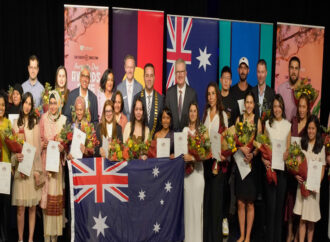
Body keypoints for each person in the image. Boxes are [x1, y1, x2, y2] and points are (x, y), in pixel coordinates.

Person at [11, 92, 43, 242]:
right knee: (20, 208)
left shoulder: (35, 123)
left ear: (32, 107)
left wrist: (37, 171)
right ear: (22, 103)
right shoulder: (15, 123)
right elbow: (12, 150)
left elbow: (37, 150)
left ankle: (30, 239)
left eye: (30, 104)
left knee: (32, 208)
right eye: (25, 102)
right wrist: (15, 158)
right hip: (20, 170)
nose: (27, 106)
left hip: (31, 171)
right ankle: (20, 239)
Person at [263, 94, 291, 242]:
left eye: (279, 106)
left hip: (282, 174)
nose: (277, 109)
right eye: (274, 106)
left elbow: (288, 150)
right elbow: (263, 147)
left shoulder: (288, 125)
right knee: (270, 209)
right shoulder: (268, 124)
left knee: (279, 210)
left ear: (282, 107)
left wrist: (287, 155)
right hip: (270, 171)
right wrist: (263, 160)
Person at [39, 91, 67, 241]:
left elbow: (66, 145)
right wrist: (42, 144)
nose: (53, 106)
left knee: (55, 202)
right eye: (51, 103)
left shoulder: (64, 120)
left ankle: (54, 237)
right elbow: (39, 141)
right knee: (46, 201)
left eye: (55, 103)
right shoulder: (43, 119)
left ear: (59, 104)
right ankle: (46, 236)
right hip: (45, 165)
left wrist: (63, 149)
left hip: (57, 168)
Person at [202, 82, 228, 242]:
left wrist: (225, 155)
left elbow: (228, 140)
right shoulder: (204, 114)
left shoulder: (223, 115)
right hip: (206, 163)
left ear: (217, 95)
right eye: (209, 94)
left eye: (213, 93)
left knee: (217, 205)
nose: (211, 96)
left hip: (218, 164)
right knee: (208, 203)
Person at [293, 115, 325, 242]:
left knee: (311, 220)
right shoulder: (302, 143)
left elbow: (322, 167)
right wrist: (295, 175)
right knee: (302, 219)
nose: (311, 131)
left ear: (317, 130)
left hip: (313, 189)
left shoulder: (321, 147)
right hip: (302, 187)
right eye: (309, 128)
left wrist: (316, 183)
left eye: (313, 128)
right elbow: (295, 163)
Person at [235, 91, 262, 242]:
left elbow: (260, 142)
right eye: (247, 102)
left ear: (254, 104)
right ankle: (241, 235)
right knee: (240, 201)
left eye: (252, 102)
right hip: (240, 164)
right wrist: (241, 148)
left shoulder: (257, 120)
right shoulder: (239, 119)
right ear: (244, 104)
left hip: (252, 165)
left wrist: (253, 153)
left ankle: (248, 237)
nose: (249, 105)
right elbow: (233, 140)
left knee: (250, 202)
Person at [285, 94, 310, 242]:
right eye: (299, 106)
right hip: (291, 172)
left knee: (300, 206)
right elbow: (288, 147)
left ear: (308, 109)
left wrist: (302, 171)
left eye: (303, 107)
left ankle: (296, 236)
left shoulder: (310, 126)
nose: (301, 109)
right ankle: (289, 234)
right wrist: (292, 169)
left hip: (303, 174)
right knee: (290, 203)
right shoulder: (292, 122)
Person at [182, 102, 205, 242]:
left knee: (197, 209)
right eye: (190, 111)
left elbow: (205, 154)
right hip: (186, 175)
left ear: (198, 113)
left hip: (198, 174)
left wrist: (193, 157)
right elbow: (181, 152)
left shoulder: (202, 131)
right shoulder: (184, 131)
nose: (192, 113)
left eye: (195, 111)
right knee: (188, 210)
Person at [165, 58, 198, 131]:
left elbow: (195, 118)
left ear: (186, 73)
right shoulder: (169, 93)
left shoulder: (192, 94)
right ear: (175, 74)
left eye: (182, 72)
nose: (180, 75)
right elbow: (166, 118)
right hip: (171, 137)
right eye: (177, 72)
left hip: (187, 137)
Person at [134, 63, 163, 138]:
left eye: (151, 76)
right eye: (147, 76)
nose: (149, 79)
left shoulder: (161, 99)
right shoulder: (137, 97)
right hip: (140, 144)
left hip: (156, 144)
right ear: (143, 77)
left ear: (154, 77)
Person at [0, 92, 12, 242]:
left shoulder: (8, 124)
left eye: (3, 105)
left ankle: (4, 236)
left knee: (4, 206)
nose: (1, 107)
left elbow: (13, 145)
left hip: (5, 168)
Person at [116, 55, 143, 119]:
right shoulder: (119, 88)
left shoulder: (140, 87)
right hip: (123, 126)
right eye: (128, 67)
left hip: (136, 124)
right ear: (125, 68)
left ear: (134, 68)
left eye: (132, 67)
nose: (130, 70)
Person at [277, 56, 301, 122]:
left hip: (299, 129)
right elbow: (277, 111)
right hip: (284, 129)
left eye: (296, 68)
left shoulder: (304, 90)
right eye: (291, 68)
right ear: (288, 69)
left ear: (299, 70)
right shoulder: (280, 89)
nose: (294, 71)